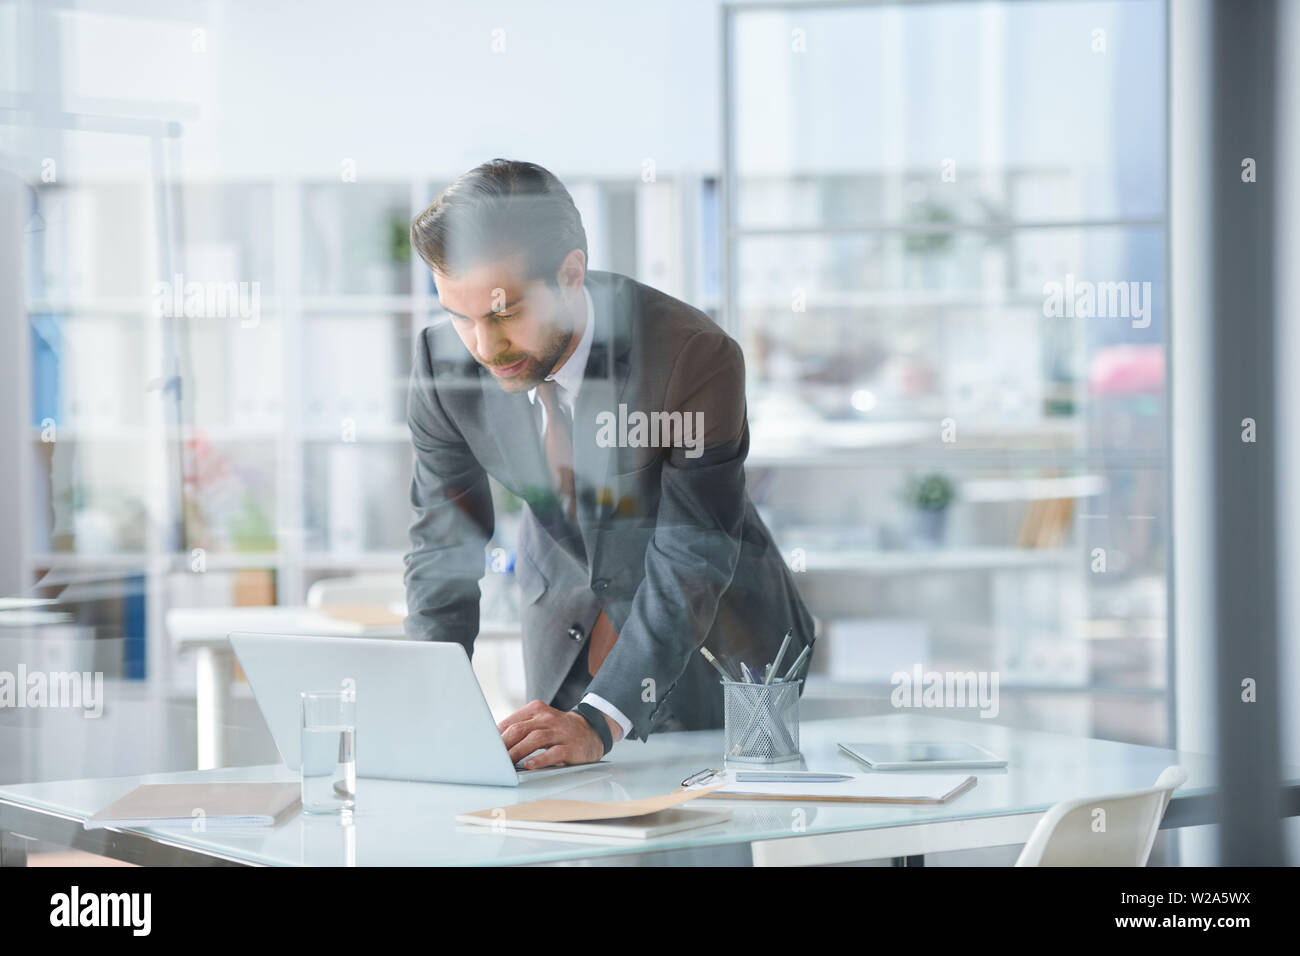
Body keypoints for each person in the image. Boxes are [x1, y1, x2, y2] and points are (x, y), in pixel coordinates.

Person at [404, 158, 814, 768]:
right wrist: (432, 707)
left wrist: (602, 719)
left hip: (711, 649)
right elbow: (444, 549)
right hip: (561, 631)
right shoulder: (445, 366)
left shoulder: (690, 356)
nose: (484, 348)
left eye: (504, 312)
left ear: (570, 275)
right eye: (460, 316)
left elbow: (692, 552)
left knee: (700, 846)